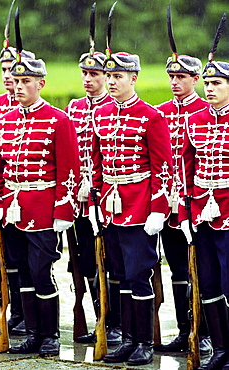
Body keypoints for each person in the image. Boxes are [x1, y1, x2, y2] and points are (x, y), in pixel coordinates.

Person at [0, 47, 80, 356]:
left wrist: (63, 210)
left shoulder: (58, 120)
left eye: (27, 80)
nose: (19, 86)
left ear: (41, 83)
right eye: (16, 80)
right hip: (12, 208)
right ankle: (32, 332)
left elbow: (69, 169)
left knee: (41, 270)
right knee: (20, 271)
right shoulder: (5, 120)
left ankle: (50, 334)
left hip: (43, 210)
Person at [89, 51, 173, 366]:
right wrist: (96, 202)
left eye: (118, 76)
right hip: (110, 206)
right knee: (120, 274)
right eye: (108, 76)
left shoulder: (151, 116)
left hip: (139, 206)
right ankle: (126, 340)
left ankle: (144, 343)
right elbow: (96, 162)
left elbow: (163, 167)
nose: (111, 82)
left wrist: (157, 209)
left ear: (133, 78)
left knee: (139, 275)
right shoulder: (101, 114)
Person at [156, 55, 212, 354]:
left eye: (182, 77)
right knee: (177, 269)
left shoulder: (206, 110)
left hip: (198, 205)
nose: (175, 82)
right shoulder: (159, 113)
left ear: (195, 79)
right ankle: (183, 329)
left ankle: (204, 331)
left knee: (200, 270)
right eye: (171, 77)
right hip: (167, 205)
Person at [66, 48, 121, 345]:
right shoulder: (74, 107)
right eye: (85, 73)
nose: (88, 79)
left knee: (111, 260)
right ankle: (100, 318)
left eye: (95, 74)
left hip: (107, 196)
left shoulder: (115, 106)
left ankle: (117, 323)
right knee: (86, 261)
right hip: (79, 199)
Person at [179, 50, 229, 369]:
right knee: (208, 283)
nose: (209, 88)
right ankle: (222, 348)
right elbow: (186, 169)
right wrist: (185, 215)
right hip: (201, 215)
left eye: (217, 83)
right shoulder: (193, 120)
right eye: (207, 83)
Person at [0, 29, 36, 336]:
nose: (7, 77)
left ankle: (25, 314)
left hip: (28, 194)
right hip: (0, 193)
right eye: (3, 70)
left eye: (12, 71)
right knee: (2, 258)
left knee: (27, 260)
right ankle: (10, 309)